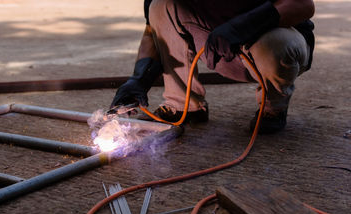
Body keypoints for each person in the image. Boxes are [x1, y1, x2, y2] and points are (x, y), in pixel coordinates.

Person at [110, 0, 315, 134]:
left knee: (276, 43)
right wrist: (138, 79)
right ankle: (184, 106)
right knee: (161, 5)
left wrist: (242, 26)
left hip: (274, 46)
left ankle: (272, 107)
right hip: (218, 50)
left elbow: (303, 5)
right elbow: (152, 28)